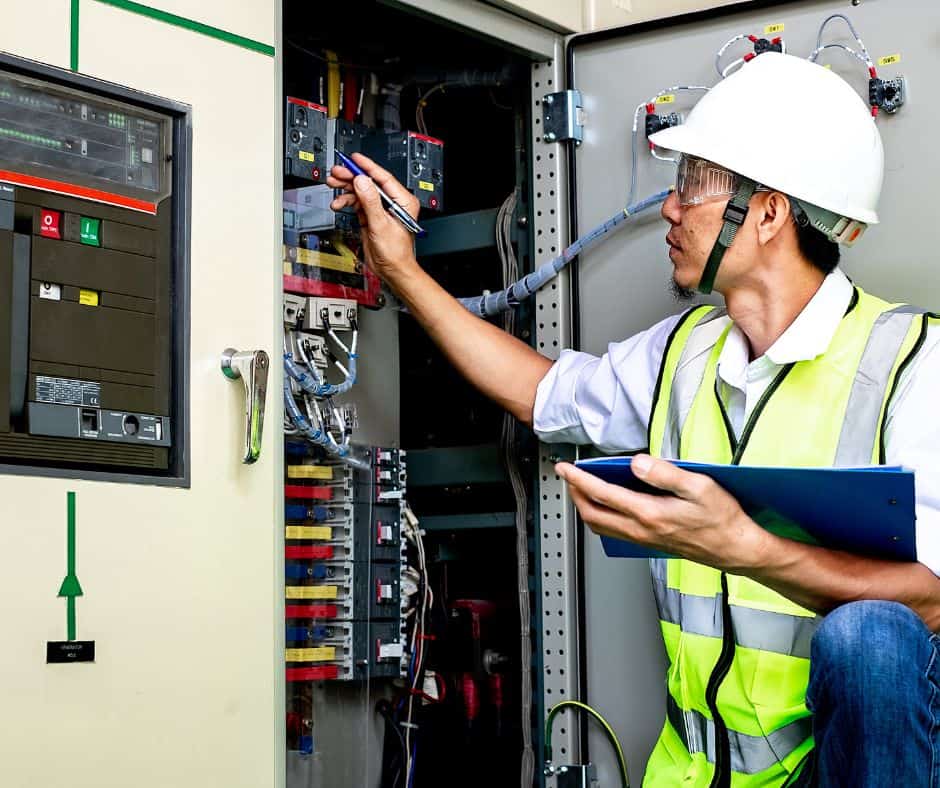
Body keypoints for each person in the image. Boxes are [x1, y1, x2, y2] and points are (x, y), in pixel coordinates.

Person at [328, 53, 940, 787]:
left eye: (692, 187)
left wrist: (743, 546)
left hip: (831, 772)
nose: (670, 210)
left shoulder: (912, 363)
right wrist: (402, 270)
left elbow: (932, 602)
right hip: (693, 775)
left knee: (870, 638)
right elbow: (541, 390)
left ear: (770, 211)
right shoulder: (685, 354)